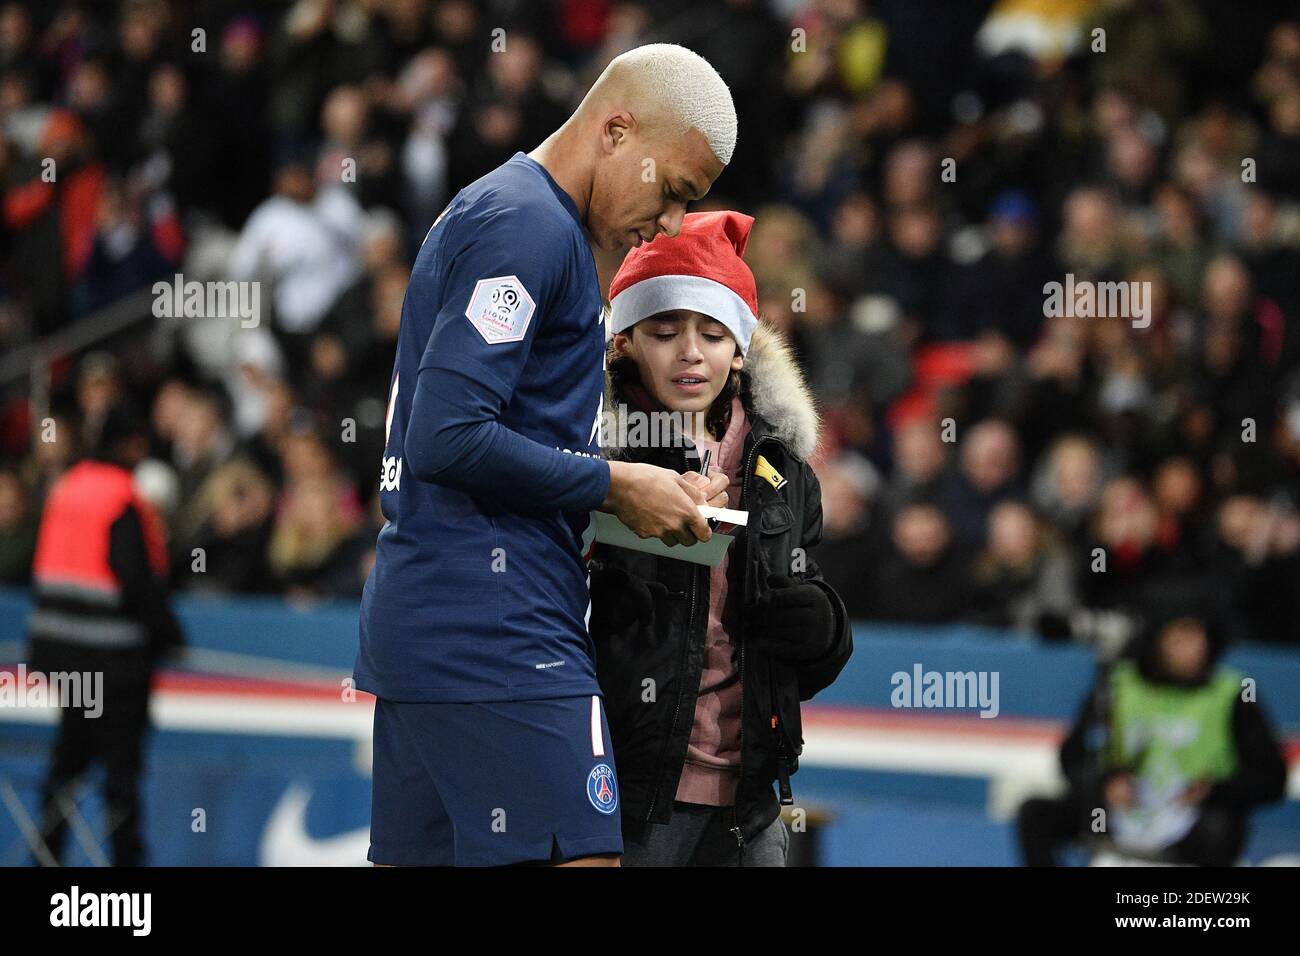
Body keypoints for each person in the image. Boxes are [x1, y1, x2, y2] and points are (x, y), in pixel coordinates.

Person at [354, 44, 738, 867]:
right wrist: (613, 483)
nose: (670, 223)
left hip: (431, 614)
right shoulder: (530, 227)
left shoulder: (500, 209)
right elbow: (448, 436)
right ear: (616, 129)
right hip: (498, 627)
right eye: (672, 190)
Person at [588, 211, 852, 865]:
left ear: (739, 351)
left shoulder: (781, 469)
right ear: (623, 342)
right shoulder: (586, 455)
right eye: (663, 329)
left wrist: (822, 632)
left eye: (712, 332)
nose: (689, 352)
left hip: (752, 801)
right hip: (623, 792)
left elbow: (805, 639)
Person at [27, 402, 184, 866]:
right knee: (121, 772)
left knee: (68, 760)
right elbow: (135, 578)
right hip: (112, 662)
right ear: (133, 444)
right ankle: (126, 867)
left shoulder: (66, 488)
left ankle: (45, 856)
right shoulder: (121, 496)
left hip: (58, 654)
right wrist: (170, 635)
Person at [1017, 610, 1288, 866]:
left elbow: (1271, 778)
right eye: (1179, 639)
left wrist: (1213, 791)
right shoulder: (1118, 685)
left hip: (1194, 821)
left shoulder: (1232, 693)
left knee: (1219, 827)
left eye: (1198, 639)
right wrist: (1105, 783)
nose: (1192, 651)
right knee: (1037, 813)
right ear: (1157, 640)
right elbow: (1074, 756)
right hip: (1121, 812)